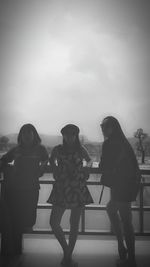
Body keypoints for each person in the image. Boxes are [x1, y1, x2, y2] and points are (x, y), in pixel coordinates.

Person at [47, 124, 93, 267]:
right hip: (62, 187)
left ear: (76, 135)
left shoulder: (81, 149)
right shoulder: (57, 149)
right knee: (54, 223)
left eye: (72, 134)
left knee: (74, 224)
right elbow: (51, 160)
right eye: (66, 134)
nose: (69, 136)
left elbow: (90, 160)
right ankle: (67, 253)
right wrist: (54, 169)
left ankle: (68, 258)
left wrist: (87, 168)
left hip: (77, 187)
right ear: (63, 135)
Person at [0, 123, 48, 258]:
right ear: (21, 136)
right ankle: (15, 251)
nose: (27, 135)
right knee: (15, 220)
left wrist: (42, 168)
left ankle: (15, 249)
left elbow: (46, 160)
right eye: (24, 133)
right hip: (14, 189)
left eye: (29, 132)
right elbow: (3, 160)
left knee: (29, 219)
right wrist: (7, 168)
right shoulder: (16, 150)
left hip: (31, 188)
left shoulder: (40, 149)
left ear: (34, 135)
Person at [99, 116, 141, 267]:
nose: (103, 128)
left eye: (105, 126)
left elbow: (103, 166)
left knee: (125, 220)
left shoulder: (110, 143)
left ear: (113, 127)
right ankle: (124, 250)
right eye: (102, 125)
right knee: (116, 212)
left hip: (121, 184)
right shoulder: (124, 142)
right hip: (127, 184)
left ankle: (130, 258)